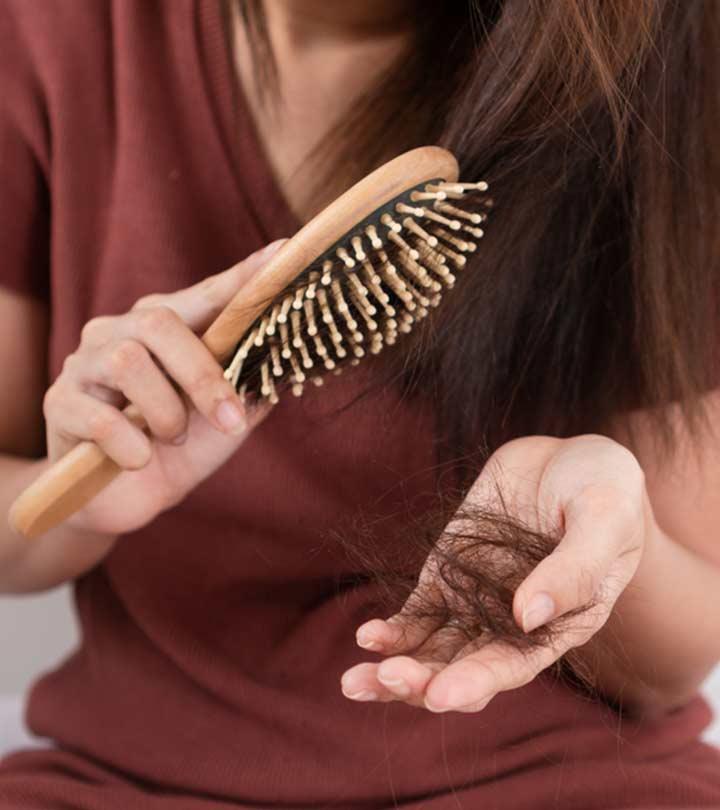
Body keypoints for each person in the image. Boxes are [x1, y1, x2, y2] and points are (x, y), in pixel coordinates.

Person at [0, 1, 718, 808]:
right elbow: (12, 524)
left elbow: (679, 654)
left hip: (563, 781)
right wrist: (80, 490)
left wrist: (609, 530)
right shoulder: (55, 31)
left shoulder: (656, 56)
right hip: (124, 781)